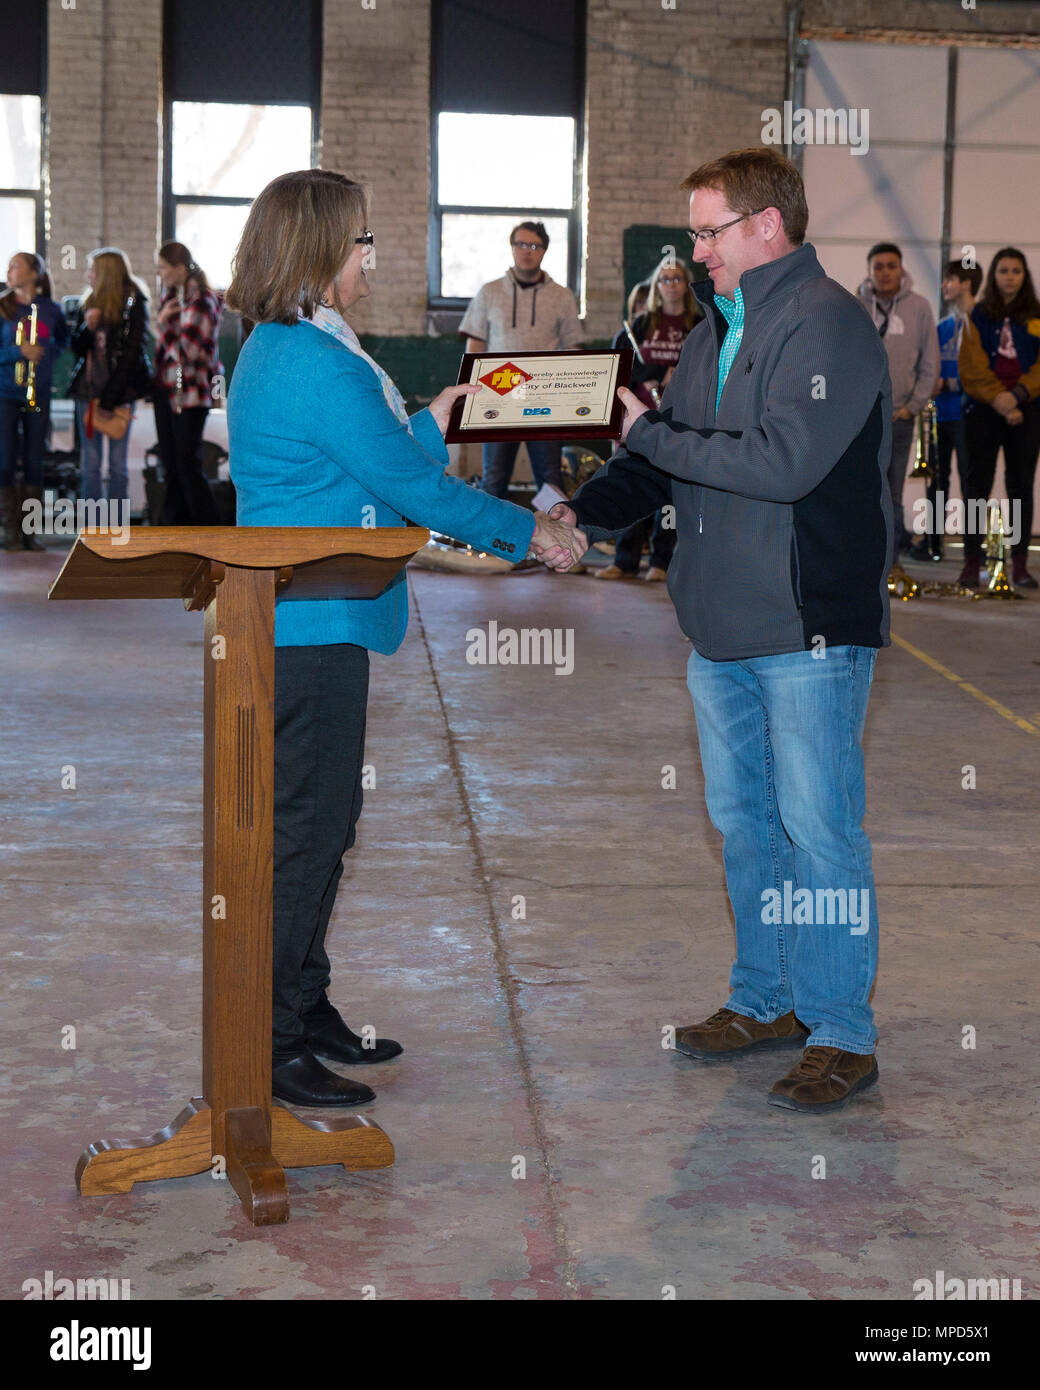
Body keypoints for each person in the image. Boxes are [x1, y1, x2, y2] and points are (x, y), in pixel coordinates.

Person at [225, 169, 583, 1108]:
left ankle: (304, 1008)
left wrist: (460, 406)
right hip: (308, 622)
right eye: (361, 241)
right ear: (318, 252)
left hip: (318, 614)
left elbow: (390, 449)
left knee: (326, 824)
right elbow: (411, 487)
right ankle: (267, 1044)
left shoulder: (309, 344)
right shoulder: (311, 358)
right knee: (307, 831)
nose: (372, 258)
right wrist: (528, 530)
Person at [551, 148, 891, 1113]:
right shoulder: (714, 334)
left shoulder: (826, 325)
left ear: (766, 227)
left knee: (820, 831)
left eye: (709, 231)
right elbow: (669, 462)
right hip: (720, 627)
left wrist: (645, 435)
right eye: (695, 234)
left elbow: (781, 462)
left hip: (807, 629)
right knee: (747, 826)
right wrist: (585, 514)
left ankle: (840, 1030)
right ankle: (766, 999)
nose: (695, 250)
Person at [459, 220, 583, 499]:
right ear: (511, 248)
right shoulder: (489, 292)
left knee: (551, 480)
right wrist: (472, 394)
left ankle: (557, 541)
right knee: (494, 479)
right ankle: (490, 542)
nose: (527, 251)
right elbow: (475, 345)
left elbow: (573, 349)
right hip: (499, 396)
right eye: (521, 244)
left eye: (534, 245)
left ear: (544, 250)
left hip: (545, 400)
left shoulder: (562, 296)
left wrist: (570, 399)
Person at [599, 255, 702, 581]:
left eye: (677, 279)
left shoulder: (700, 325)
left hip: (680, 422)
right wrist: (656, 373)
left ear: (687, 285)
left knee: (670, 497)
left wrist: (679, 374)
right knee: (631, 488)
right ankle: (624, 561)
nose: (670, 285)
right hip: (638, 422)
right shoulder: (640, 326)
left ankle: (660, 563)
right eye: (664, 279)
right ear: (656, 286)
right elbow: (619, 368)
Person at [957, 246, 1040, 589]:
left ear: (1025, 276)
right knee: (977, 486)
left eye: (1016, 271)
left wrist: (1017, 395)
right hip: (984, 411)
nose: (1010, 277)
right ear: (993, 276)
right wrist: (1001, 399)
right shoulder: (976, 315)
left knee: (1020, 485)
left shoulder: (1036, 316)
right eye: (1003, 271)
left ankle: (1019, 562)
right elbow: (971, 366)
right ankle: (972, 560)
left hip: (1028, 409)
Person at [857, 243, 939, 564]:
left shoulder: (919, 307)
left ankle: (890, 566)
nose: (885, 272)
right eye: (879, 266)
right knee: (864, 489)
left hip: (901, 417)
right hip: (862, 418)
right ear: (870, 271)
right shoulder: (857, 305)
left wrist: (914, 406)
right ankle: (864, 563)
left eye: (891, 266)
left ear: (901, 269)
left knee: (892, 493)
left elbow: (930, 362)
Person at [67, 247, 152, 515]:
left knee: (117, 463)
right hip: (88, 394)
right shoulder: (89, 302)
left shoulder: (134, 305)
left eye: (92, 270)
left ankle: (117, 525)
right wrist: (86, 329)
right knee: (90, 463)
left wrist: (110, 400)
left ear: (105, 274)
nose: (87, 275)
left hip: (121, 395)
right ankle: (92, 527)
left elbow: (131, 356)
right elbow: (77, 350)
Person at [909, 259, 981, 562]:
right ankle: (934, 542)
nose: (944, 285)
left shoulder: (983, 324)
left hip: (971, 415)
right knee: (937, 481)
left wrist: (951, 381)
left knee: (972, 482)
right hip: (941, 414)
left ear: (965, 283)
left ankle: (973, 550)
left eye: (950, 279)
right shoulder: (943, 327)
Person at [0, 251, 67, 551]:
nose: (9, 271)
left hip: (37, 393)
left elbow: (62, 342)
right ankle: (9, 530)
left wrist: (46, 354)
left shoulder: (51, 310)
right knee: (4, 460)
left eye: (15, 266)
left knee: (34, 462)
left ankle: (30, 531)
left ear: (33, 274)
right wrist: (19, 353)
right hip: (5, 394)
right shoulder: (2, 307)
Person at [153, 242, 223, 525]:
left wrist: (160, 327)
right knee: (171, 464)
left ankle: (211, 531)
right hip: (167, 390)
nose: (160, 275)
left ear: (179, 269)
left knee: (187, 464)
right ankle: (172, 528)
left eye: (163, 269)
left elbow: (189, 354)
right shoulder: (173, 300)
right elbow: (165, 355)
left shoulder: (202, 301)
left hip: (190, 393)